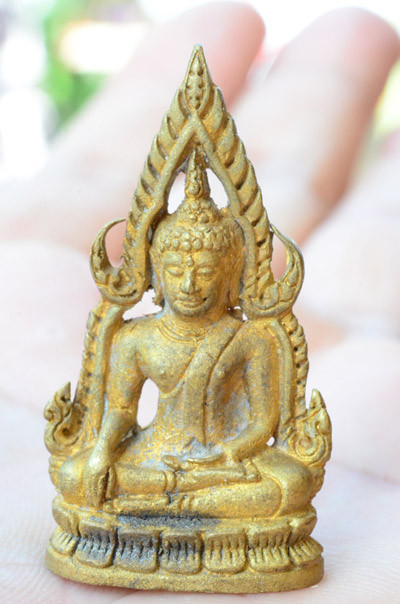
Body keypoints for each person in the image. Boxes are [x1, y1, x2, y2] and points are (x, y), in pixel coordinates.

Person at [1, 2, 400, 602]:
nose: (190, 281)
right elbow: (118, 416)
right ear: (154, 274)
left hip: (223, 466)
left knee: (285, 486)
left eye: (206, 269)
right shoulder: (135, 337)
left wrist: (221, 457)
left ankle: (181, 517)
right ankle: (178, 514)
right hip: (151, 458)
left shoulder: (249, 336)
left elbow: (263, 424)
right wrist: (104, 454)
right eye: (177, 268)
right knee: (77, 477)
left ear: (234, 274)